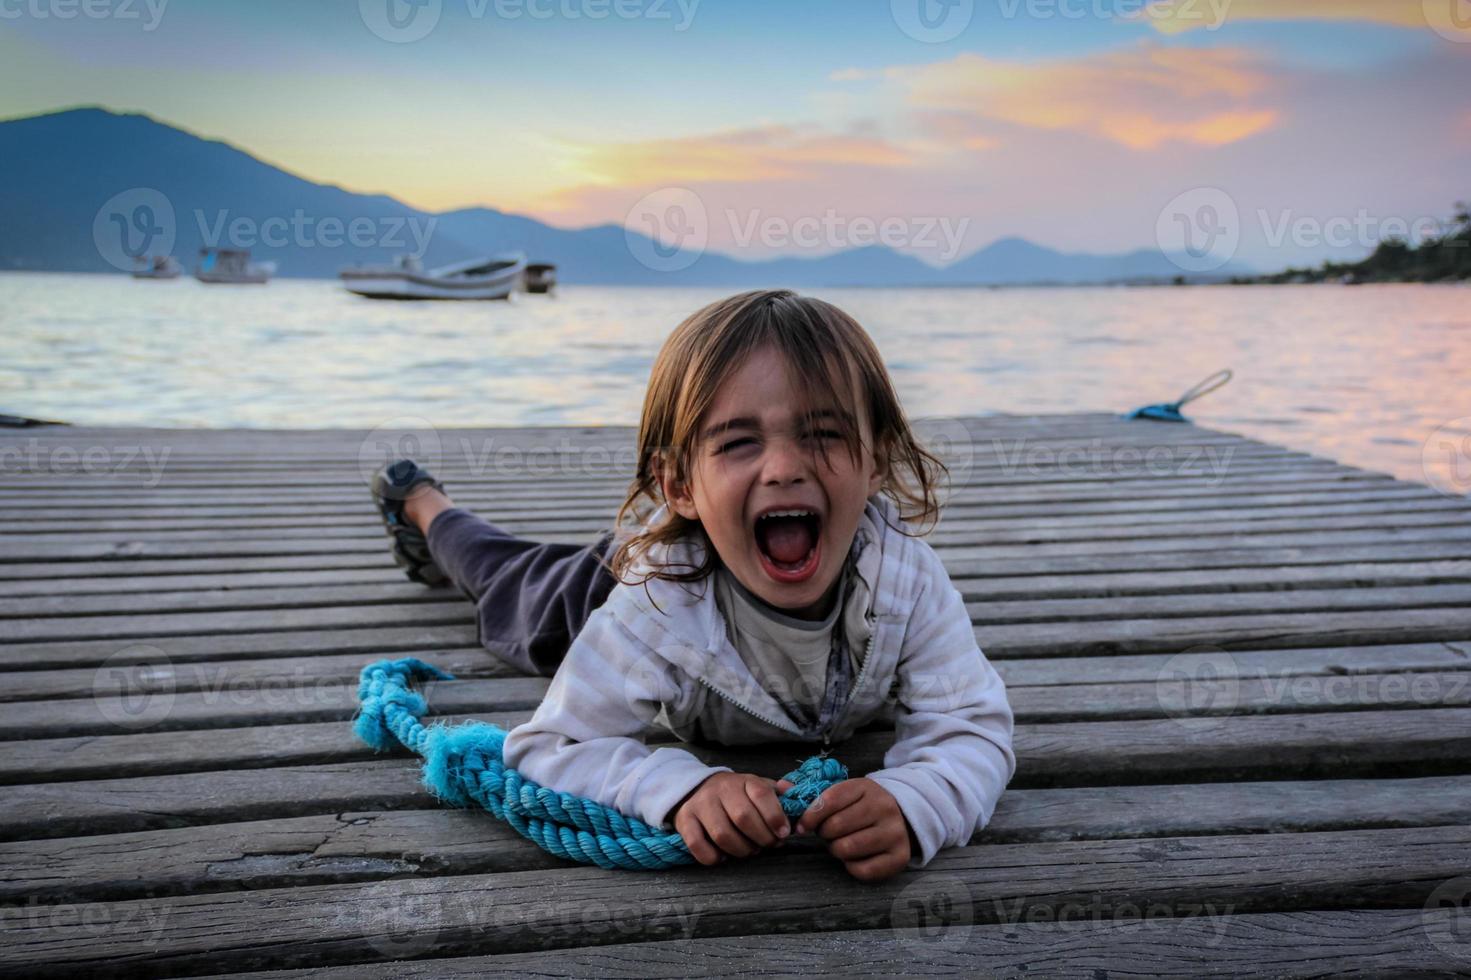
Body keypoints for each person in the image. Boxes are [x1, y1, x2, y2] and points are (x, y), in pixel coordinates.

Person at [371, 289, 1015, 881]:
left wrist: (915, 802)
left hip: (705, 543)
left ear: (875, 458)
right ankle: (423, 504)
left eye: (824, 433)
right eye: (739, 442)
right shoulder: (650, 608)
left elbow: (971, 728)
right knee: (503, 576)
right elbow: (551, 746)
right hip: (606, 585)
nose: (785, 468)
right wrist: (679, 787)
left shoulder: (905, 580)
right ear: (679, 484)